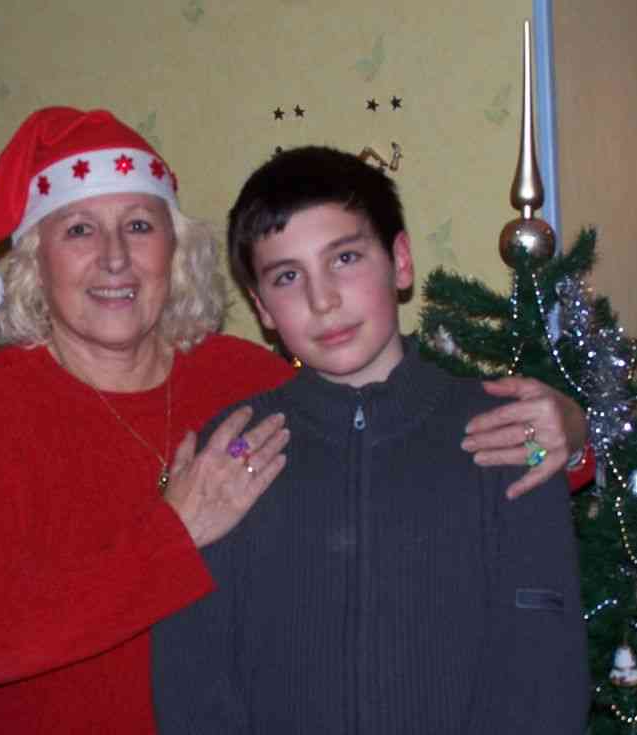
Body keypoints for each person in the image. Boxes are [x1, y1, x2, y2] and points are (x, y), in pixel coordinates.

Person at [0, 107, 587, 734]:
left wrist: (571, 436)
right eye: (79, 230)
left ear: (174, 250)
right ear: (34, 260)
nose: (114, 258)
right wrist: (177, 531)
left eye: (138, 225)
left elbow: (386, 439)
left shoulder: (243, 380)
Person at [151, 146, 589, 734]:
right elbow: (192, 672)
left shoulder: (510, 432)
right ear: (262, 309)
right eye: (287, 277)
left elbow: (544, 665)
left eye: (345, 258)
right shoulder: (231, 456)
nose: (323, 299)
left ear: (400, 262)